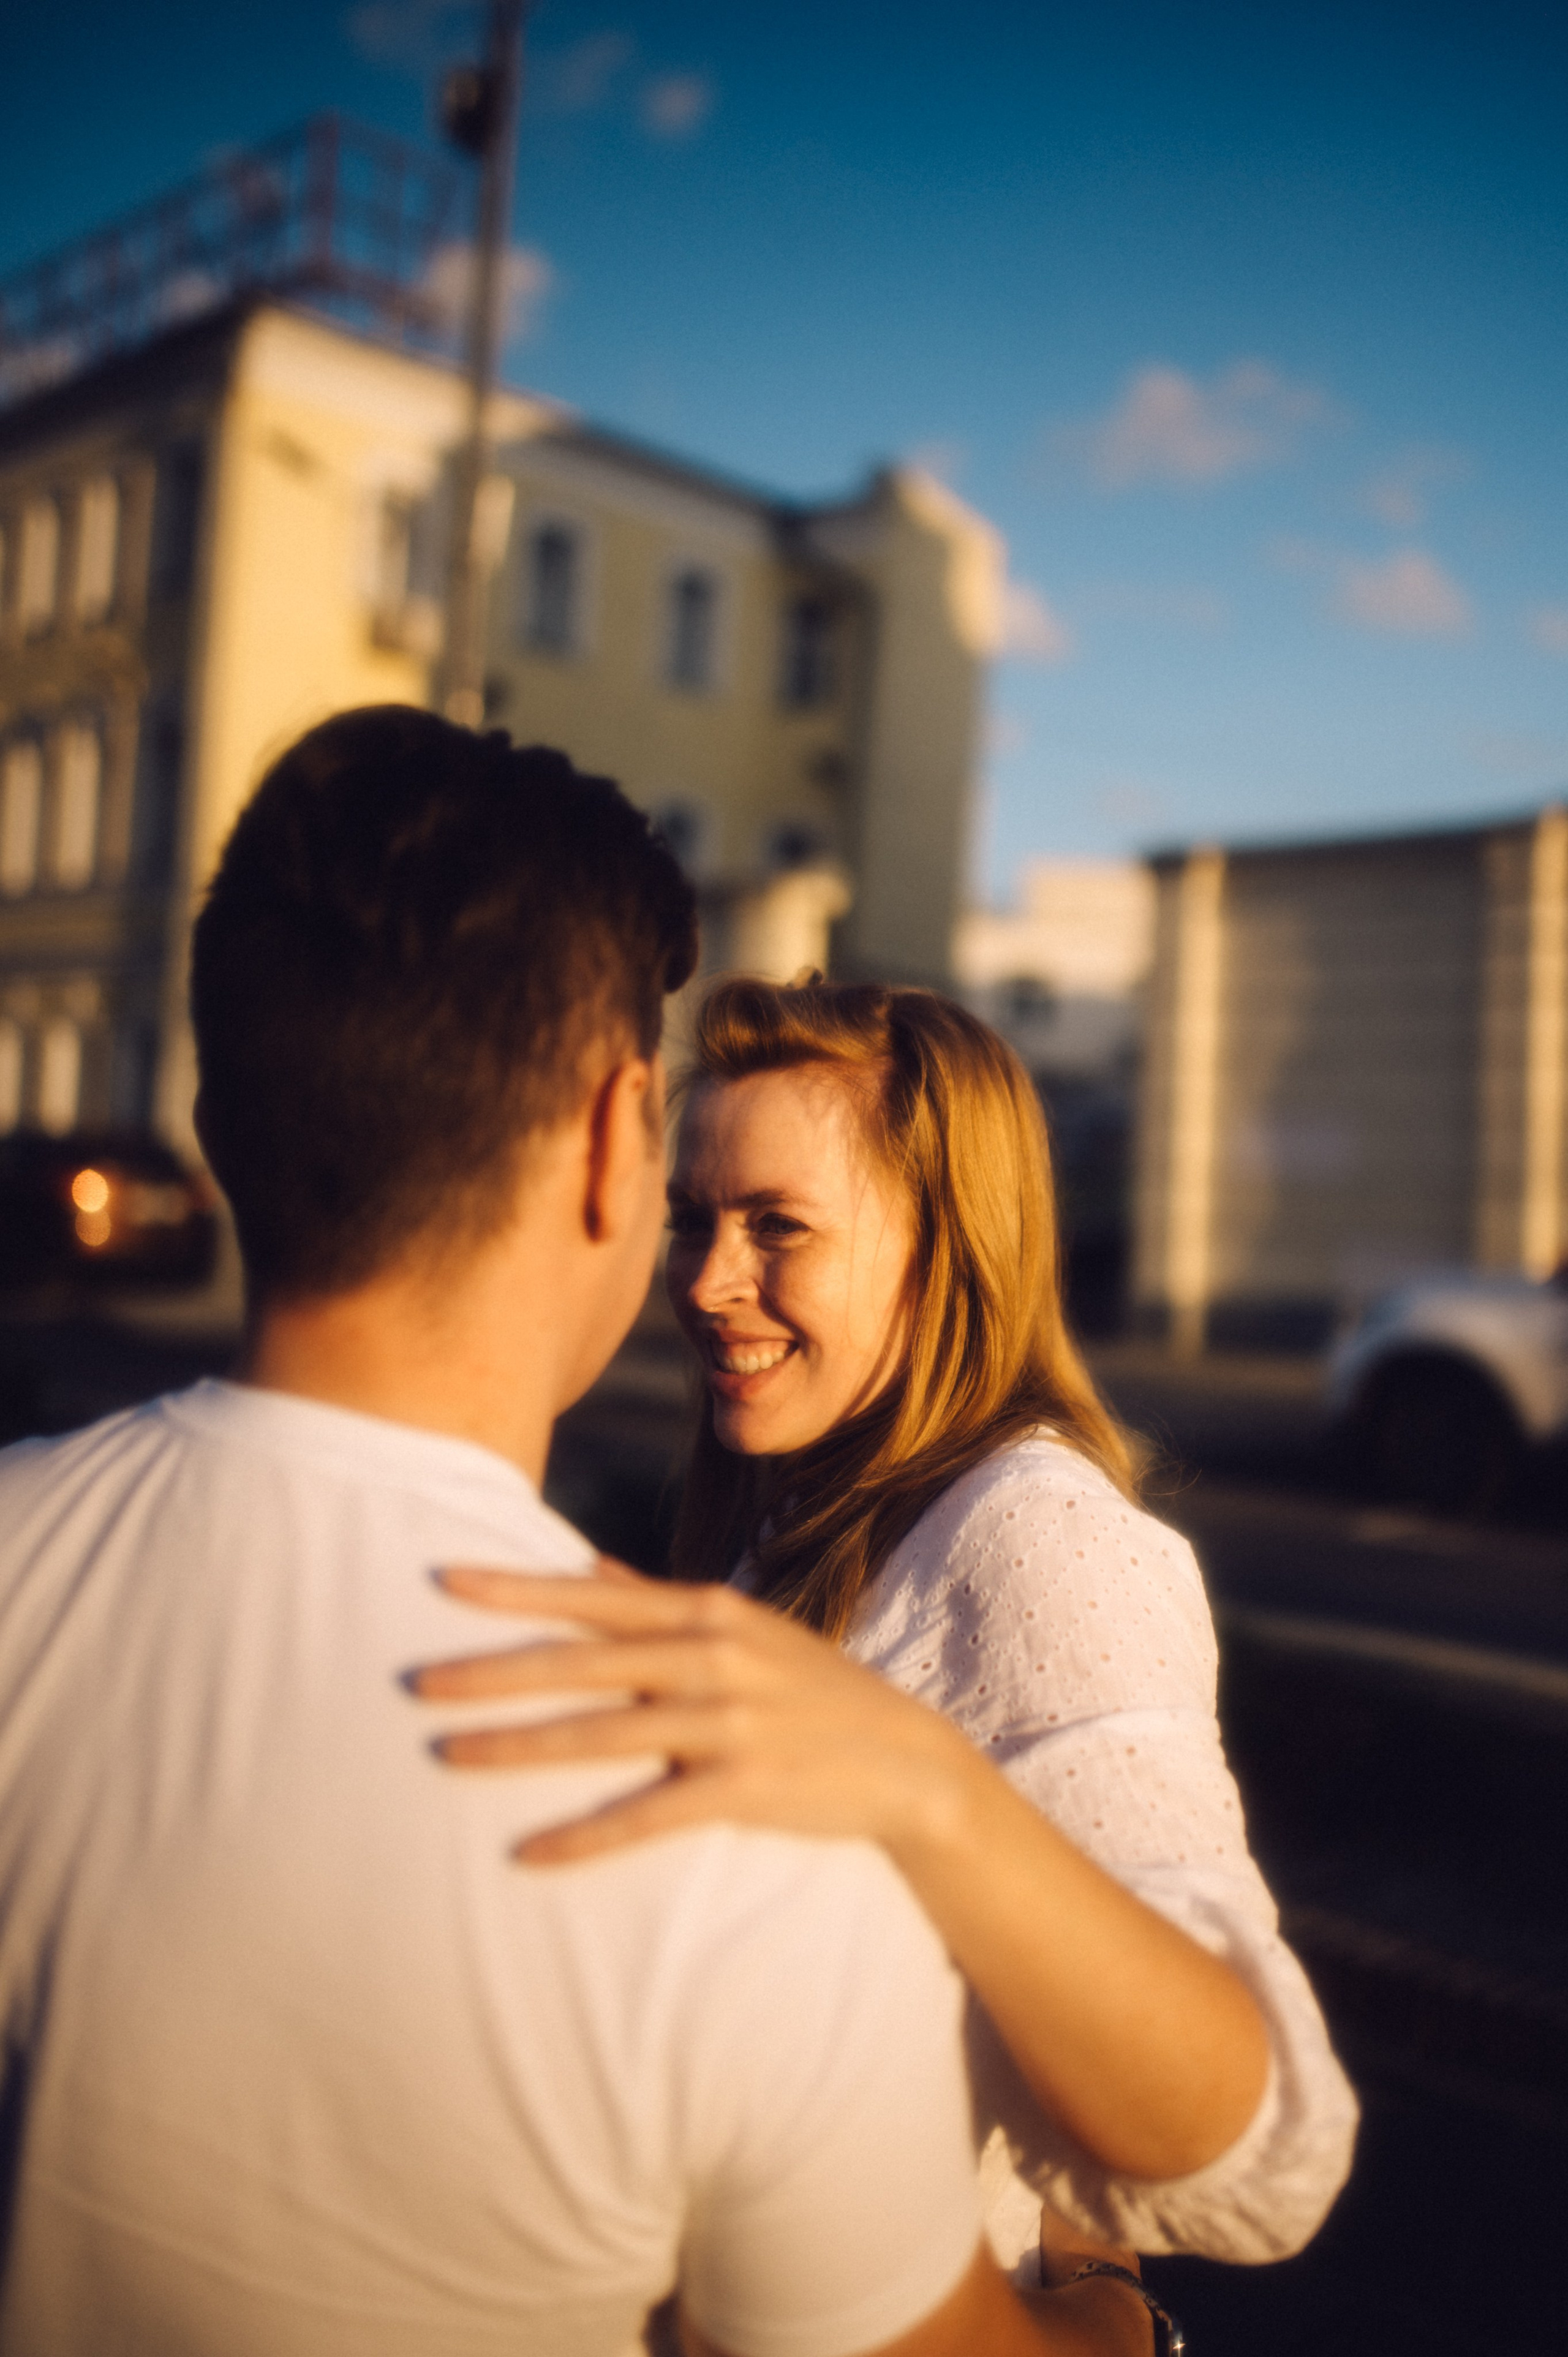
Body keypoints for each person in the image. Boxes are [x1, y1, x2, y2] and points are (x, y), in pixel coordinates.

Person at [0, 712, 1152, 2357]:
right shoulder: (736, 1820)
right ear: (620, 1141)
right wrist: (1110, 2299)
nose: (713, 1274)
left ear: (220, 1127)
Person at [410, 976, 1360, 2281]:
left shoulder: (1044, 1544)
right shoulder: (799, 1503)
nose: (708, 1282)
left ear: (947, 1247)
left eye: (777, 1227)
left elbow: (1264, 2168)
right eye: (693, 1221)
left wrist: (927, 1793)